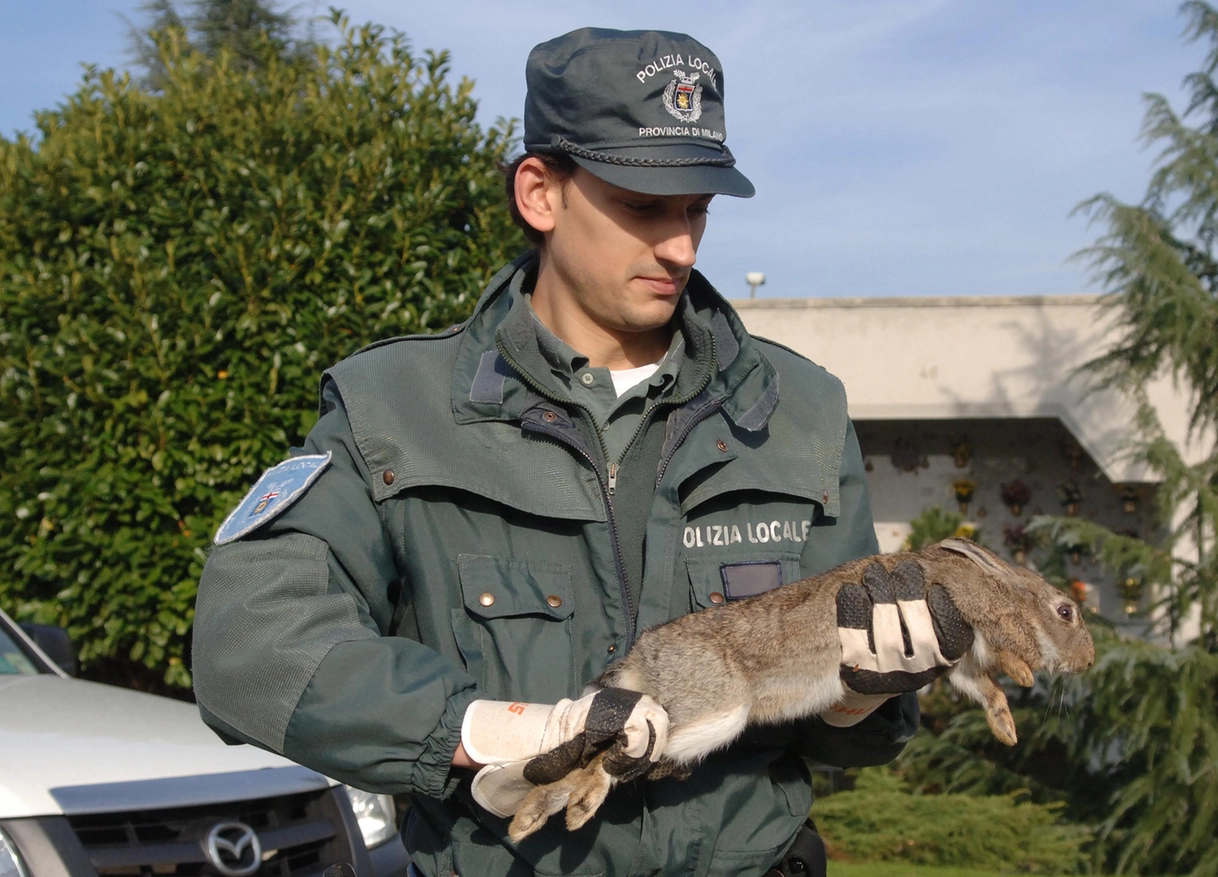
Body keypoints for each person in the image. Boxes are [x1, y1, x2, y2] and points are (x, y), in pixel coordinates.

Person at [191, 27, 946, 877]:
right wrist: (486, 729)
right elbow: (246, 644)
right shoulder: (394, 410)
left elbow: (852, 736)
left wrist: (859, 698)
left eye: (698, 207)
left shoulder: (799, 412)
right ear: (540, 192)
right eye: (644, 206)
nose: (682, 247)